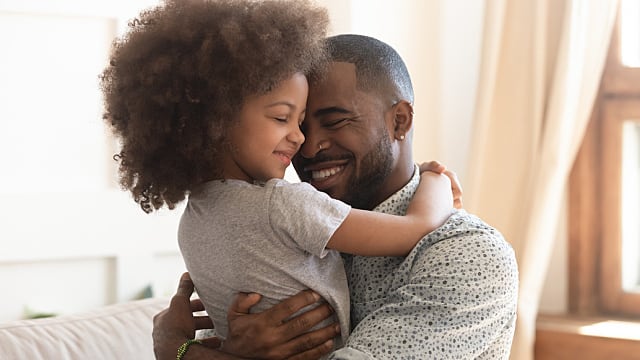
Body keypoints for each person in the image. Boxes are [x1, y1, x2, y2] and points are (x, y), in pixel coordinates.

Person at [101, 1, 459, 358]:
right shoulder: (285, 204)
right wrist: (435, 180)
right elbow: (419, 226)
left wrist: (179, 351)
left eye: (301, 121)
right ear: (217, 120)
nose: (303, 139)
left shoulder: (192, 224)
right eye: (283, 118)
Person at [153, 34, 519, 359]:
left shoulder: (468, 255)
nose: (307, 146)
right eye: (294, 123)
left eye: (336, 121)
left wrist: (176, 349)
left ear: (400, 121)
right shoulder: (269, 225)